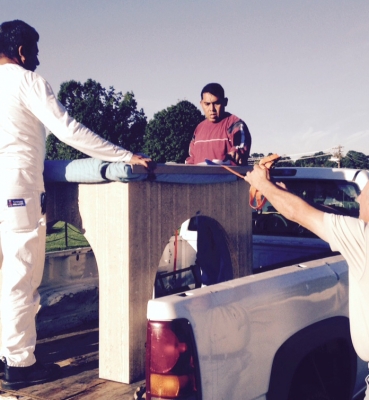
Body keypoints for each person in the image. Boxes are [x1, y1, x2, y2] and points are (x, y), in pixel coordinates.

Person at [0, 19, 153, 390]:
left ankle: (8, 354)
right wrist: (124, 156)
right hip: (17, 189)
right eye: (34, 51)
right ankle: (19, 365)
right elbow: (67, 129)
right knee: (20, 276)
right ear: (21, 51)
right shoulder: (27, 81)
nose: (37, 58)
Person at [244, 163, 369, 398]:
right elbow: (331, 217)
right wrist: (285, 194)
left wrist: (261, 184)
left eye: (365, 192)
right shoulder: (361, 235)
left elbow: (298, 214)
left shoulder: (363, 239)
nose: (360, 197)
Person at [185, 83, 251, 165]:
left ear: (225, 102)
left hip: (229, 177)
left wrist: (236, 153)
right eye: (207, 104)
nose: (212, 109)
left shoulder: (236, 124)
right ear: (201, 104)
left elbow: (241, 148)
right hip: (199, 177)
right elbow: (191, 160)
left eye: (216, 103)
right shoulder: (198, 128)